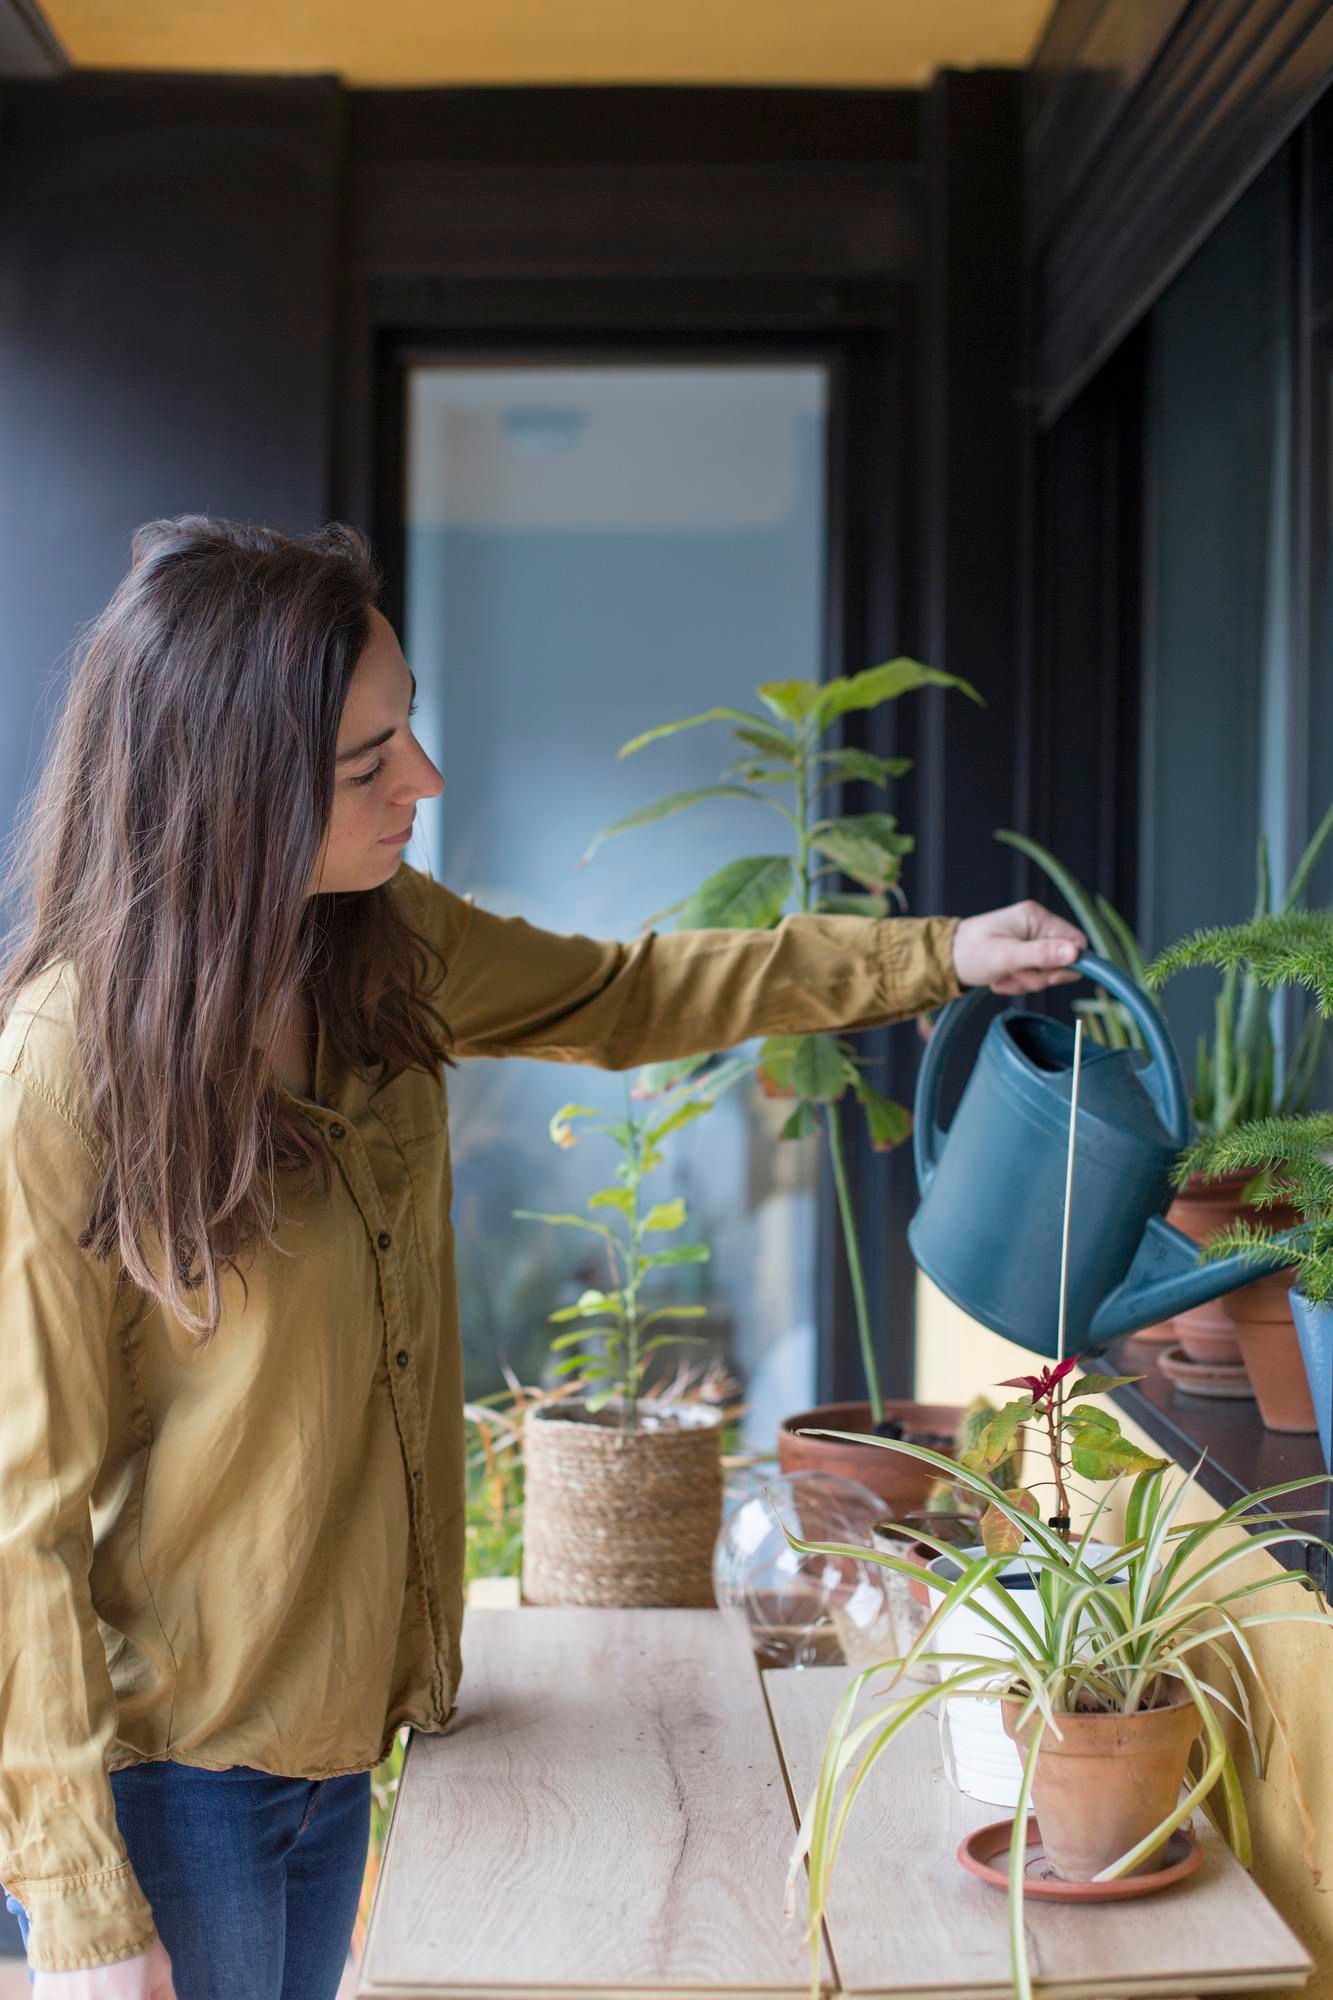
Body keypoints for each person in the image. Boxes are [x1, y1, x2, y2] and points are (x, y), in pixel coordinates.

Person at [0, 517, 1086, 2000]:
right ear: (227, 791)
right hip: (175, 1780)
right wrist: (82, 1921)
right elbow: (21, 1528)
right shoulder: (67, 1074)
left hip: (341, 1748)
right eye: (364, 765)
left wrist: (936, 956)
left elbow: (622, 994)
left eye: (412, 733)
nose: (421, 785)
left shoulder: (374, 943)